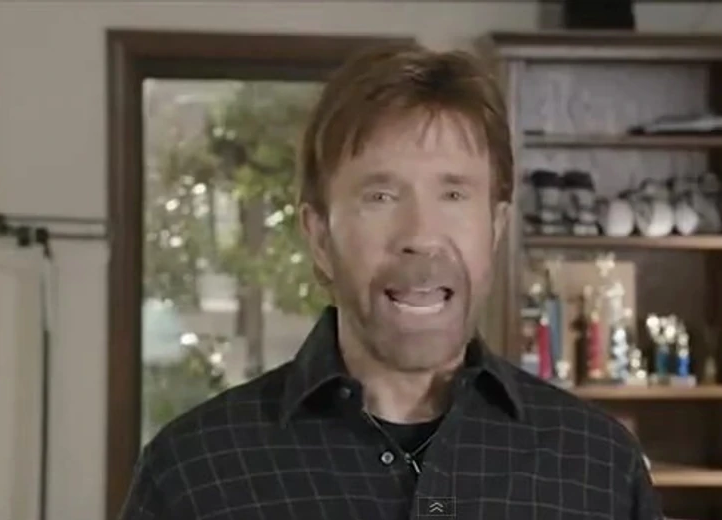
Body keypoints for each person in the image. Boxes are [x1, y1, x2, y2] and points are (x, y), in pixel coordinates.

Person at [119, 42, 661, 520]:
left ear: (495, 229)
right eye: (380, 196)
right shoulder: (194, 473)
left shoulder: (600, 468)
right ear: (320, 237)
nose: (421, 236)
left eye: (454, 195)